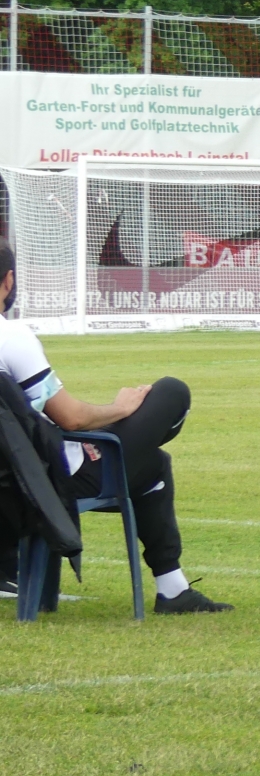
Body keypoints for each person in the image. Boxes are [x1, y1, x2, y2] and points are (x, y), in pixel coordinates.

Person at [0, 241, 230, 613]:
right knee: (171, 392)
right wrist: (119, 408)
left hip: (10, 484)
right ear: (9, 280)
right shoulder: (11, 338)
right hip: (47, 480)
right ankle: (173, 591)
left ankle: (174, 590)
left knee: (153, 465)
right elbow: (71, 418)